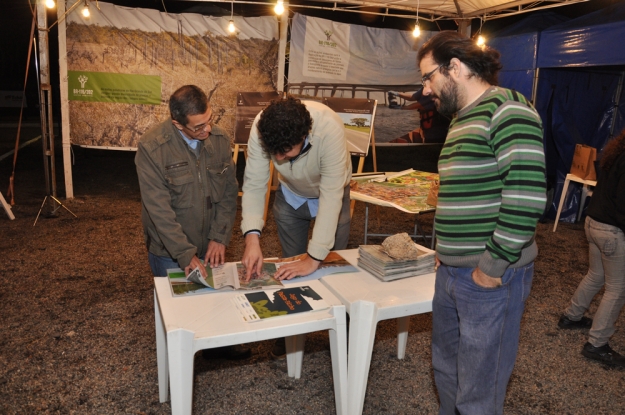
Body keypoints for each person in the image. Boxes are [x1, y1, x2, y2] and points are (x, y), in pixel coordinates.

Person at [417, 32, 547, 414]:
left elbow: (525, 195)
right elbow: (459, 193)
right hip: (452, 274)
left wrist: (491, 268)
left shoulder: (508, 110)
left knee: (479, 390)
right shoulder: (460, 119)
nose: (425, 90)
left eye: (428, 77)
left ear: (454, 68)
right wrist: (443, 250)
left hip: (489, 278)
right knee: (446, 371)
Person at [135, 85, 250, 360]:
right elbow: (158, 209)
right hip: (169, 250)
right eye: (199, 127)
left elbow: (227, 193)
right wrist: (185, 253)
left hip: (210, 240)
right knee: (178, 316)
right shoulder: (153, 148)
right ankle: (179, 362)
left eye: (210, 120)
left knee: (214, 302)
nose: (207, 130)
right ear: (177, 123)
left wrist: (220, 236)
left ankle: (216, 346)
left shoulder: (219, 140)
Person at [240, 97, 352, 355]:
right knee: (289, 267)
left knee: (332, 266)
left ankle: (342, 328)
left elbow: (331, 195)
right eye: (274, 153)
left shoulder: (329, 128)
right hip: (290, 195)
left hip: (332, 192)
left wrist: (314, 257)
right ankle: (292, 332)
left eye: (286, 151)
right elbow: (255, 183)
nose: (279, 158)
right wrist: (252, 238)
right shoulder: (261, 128)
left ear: (305, 135)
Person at [558, 129, 625, 366]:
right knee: (617, 287)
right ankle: (597, 344)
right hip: (611, 230)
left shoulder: (616, 152)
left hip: (593, 222)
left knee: (596, 275)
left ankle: (571, 317)